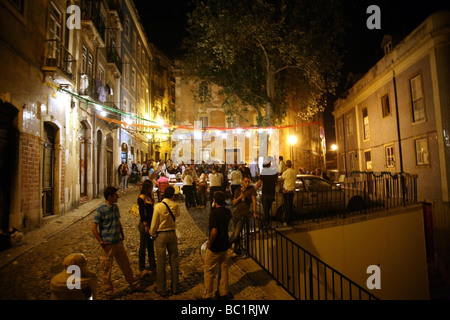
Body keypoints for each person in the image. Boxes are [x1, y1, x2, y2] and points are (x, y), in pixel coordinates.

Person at [92, 186, 141, 299]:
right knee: (106, 271)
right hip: (107, 245)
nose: (118, 196)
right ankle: (108, 293)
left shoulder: (115, 207)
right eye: (116, 195)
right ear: (110, 197)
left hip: (118, 242)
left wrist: (122, 233)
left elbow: (117, 221)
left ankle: (133, 285)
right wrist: (101, 241)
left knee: (126, 266)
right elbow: (94, 227)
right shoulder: (101, 209)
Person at [150, 186, 181, 297]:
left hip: (161, 235)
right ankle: (175, 288)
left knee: (161, 262)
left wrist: (152, 233)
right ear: (173, 195)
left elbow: (154, 223)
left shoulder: (158, 206)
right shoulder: (176, 205)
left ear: (163, 193)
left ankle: (162, 289)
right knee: (174, 260)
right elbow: (177, 215)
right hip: (172, 233)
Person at [202, 191, 232, 300]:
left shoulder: (214, 214)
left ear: (215, 201)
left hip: (216, 246)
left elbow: (214, 231)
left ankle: (208, 294)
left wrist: (210, 242)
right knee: (224, 268)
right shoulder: (227, 212)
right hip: (225, 243)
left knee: (208, 269)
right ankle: (223, 292)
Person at [229, 176, 258, 255]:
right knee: (236, 234)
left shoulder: (251, 189)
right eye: (245, 181)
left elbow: (254, 200)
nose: (247, 183)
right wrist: (240, 197)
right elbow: (234, 203)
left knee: (235, 235)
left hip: (243, 214)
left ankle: (223, 246)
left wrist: (254, 212)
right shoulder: (237, 190)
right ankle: (237, 250)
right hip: (235, 213)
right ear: (242, 181)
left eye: (248, 182)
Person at [137, 180, 156, 276]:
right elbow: (141, 213)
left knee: (150, 246)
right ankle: (142, 267)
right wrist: (145, 225)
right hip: (145, 225)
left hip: (151, 224)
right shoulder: (142, 198)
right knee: (143, 246)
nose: (152, 188)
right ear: (146, 188)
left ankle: (153, 265)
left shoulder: (150, 197)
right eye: (150, 187)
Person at [255, 157, 278, 228]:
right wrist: (282, 188)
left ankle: (264, 224)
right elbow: (277, 182)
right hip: (272, 193)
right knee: (267, 209)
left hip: (265, 192)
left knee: (266, 210)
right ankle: (265, 224)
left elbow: (259, 183)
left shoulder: (263, 173)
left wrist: (254, 190)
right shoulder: (274, 172)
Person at [280, 160, 297, 226]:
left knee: (287, 207)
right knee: (291, 206)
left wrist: (282, 188)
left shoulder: (285, 173)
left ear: (286, 165)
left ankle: (287, 221)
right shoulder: (294, 172)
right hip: (292, 191)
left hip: (286, 191)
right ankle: (291, 220)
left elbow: (281, 179)